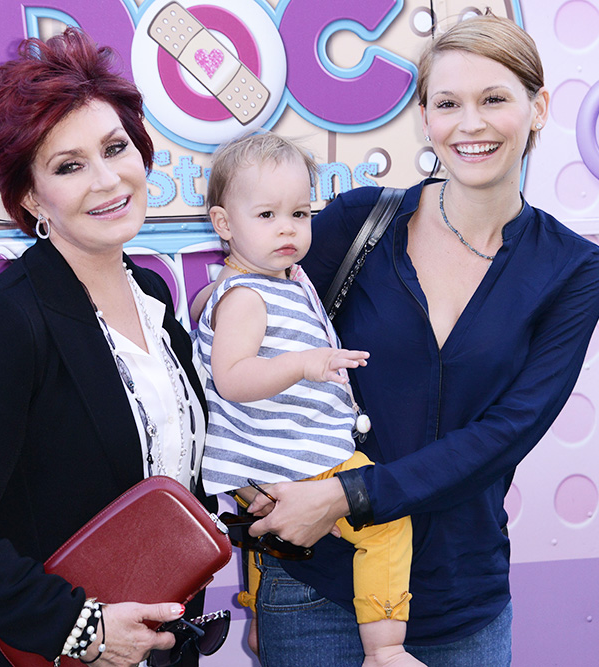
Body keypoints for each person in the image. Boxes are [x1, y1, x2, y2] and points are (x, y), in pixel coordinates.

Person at [243, 14, 599, 666]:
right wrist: (261, 492)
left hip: (459, 602)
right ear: (425, 117)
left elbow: (506, 431)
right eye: (448, 104)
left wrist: (351, 494)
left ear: (538, 108)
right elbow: (247, 355)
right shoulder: (360, 223)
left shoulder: (573, 269)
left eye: (494, 99)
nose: (470, 124)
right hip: (316, 586)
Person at [0, 28, 215, 666]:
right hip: (26, 651)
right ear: (28, 196)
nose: (107, 180)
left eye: (115, 148)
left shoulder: (154, 295)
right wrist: (87, 630)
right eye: (69, 166)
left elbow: (160, 470)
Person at [193, 133, 421, 667]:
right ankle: (386, 647)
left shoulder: (280, 282)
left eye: (300, 212)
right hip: (285, 457)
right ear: (225, 225)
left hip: (273, 458)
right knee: (385, 520)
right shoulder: (248, 296)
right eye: (267, 214)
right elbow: (232, 378)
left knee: (276, 530)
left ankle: (256, 609)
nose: (287, 228)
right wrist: (303, 363)